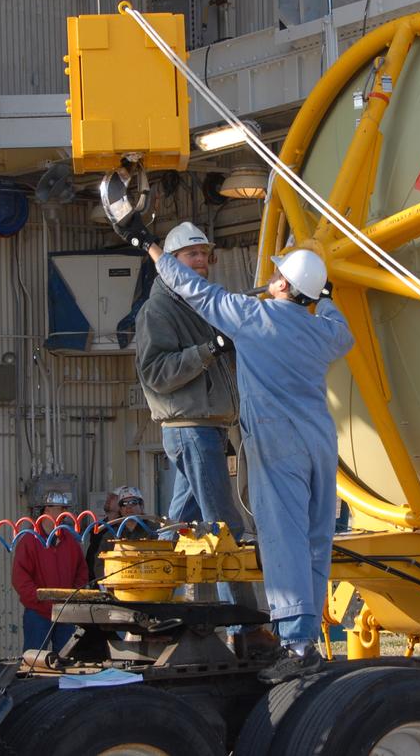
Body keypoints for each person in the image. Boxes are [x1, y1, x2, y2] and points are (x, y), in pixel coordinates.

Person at [116, 214, 354, 683]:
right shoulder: (323, 331)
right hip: (321, 442)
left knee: (280, 538)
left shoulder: (252, 318)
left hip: (276, 440)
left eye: (278, 273)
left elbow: (195, 290)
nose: (271, 277)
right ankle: (303, 632)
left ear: (283, 285)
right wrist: (323, 297)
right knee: (314, 539)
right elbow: (340, 327)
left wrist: (147, 242)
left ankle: (297, 643)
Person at [133, 222, 278, 657]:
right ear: (169, 264)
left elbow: (236, 307)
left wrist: (271, 292)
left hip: (204, 427)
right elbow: (156, 374)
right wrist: (210, 349)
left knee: (178, 527)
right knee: (225, 529)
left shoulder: (197, 303)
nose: (200, 262)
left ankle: (149, 610)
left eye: (204, 254)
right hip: (192, 428)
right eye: (190, 255)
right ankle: (248, 631)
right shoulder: (157, 311)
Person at [12, 491, 88, 653]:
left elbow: (81, 572)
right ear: (46, 510)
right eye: (60, 509)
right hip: (38, 613)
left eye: (65, 509)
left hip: (65, 612)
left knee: (67, 660)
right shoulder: (30, 541)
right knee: (34, 660)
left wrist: (72, 597)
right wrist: (38, 599)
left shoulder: (70, 541)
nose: (64, 513)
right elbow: (20, 577)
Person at [86, 485, 158, 581]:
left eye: (133, 502)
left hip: (149, 584)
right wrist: (108, 584)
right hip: (120, 588)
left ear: (141, 506)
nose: (128, 507)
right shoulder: (111, 535)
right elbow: (99, 563)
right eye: (124, 503)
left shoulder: (155, 531)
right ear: (120, 509)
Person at [84, 490, 120, 579]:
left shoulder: (123, 529)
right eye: (109, 496)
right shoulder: (98, 527)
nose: (108, 499)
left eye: (113, 497)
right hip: (93, 579)